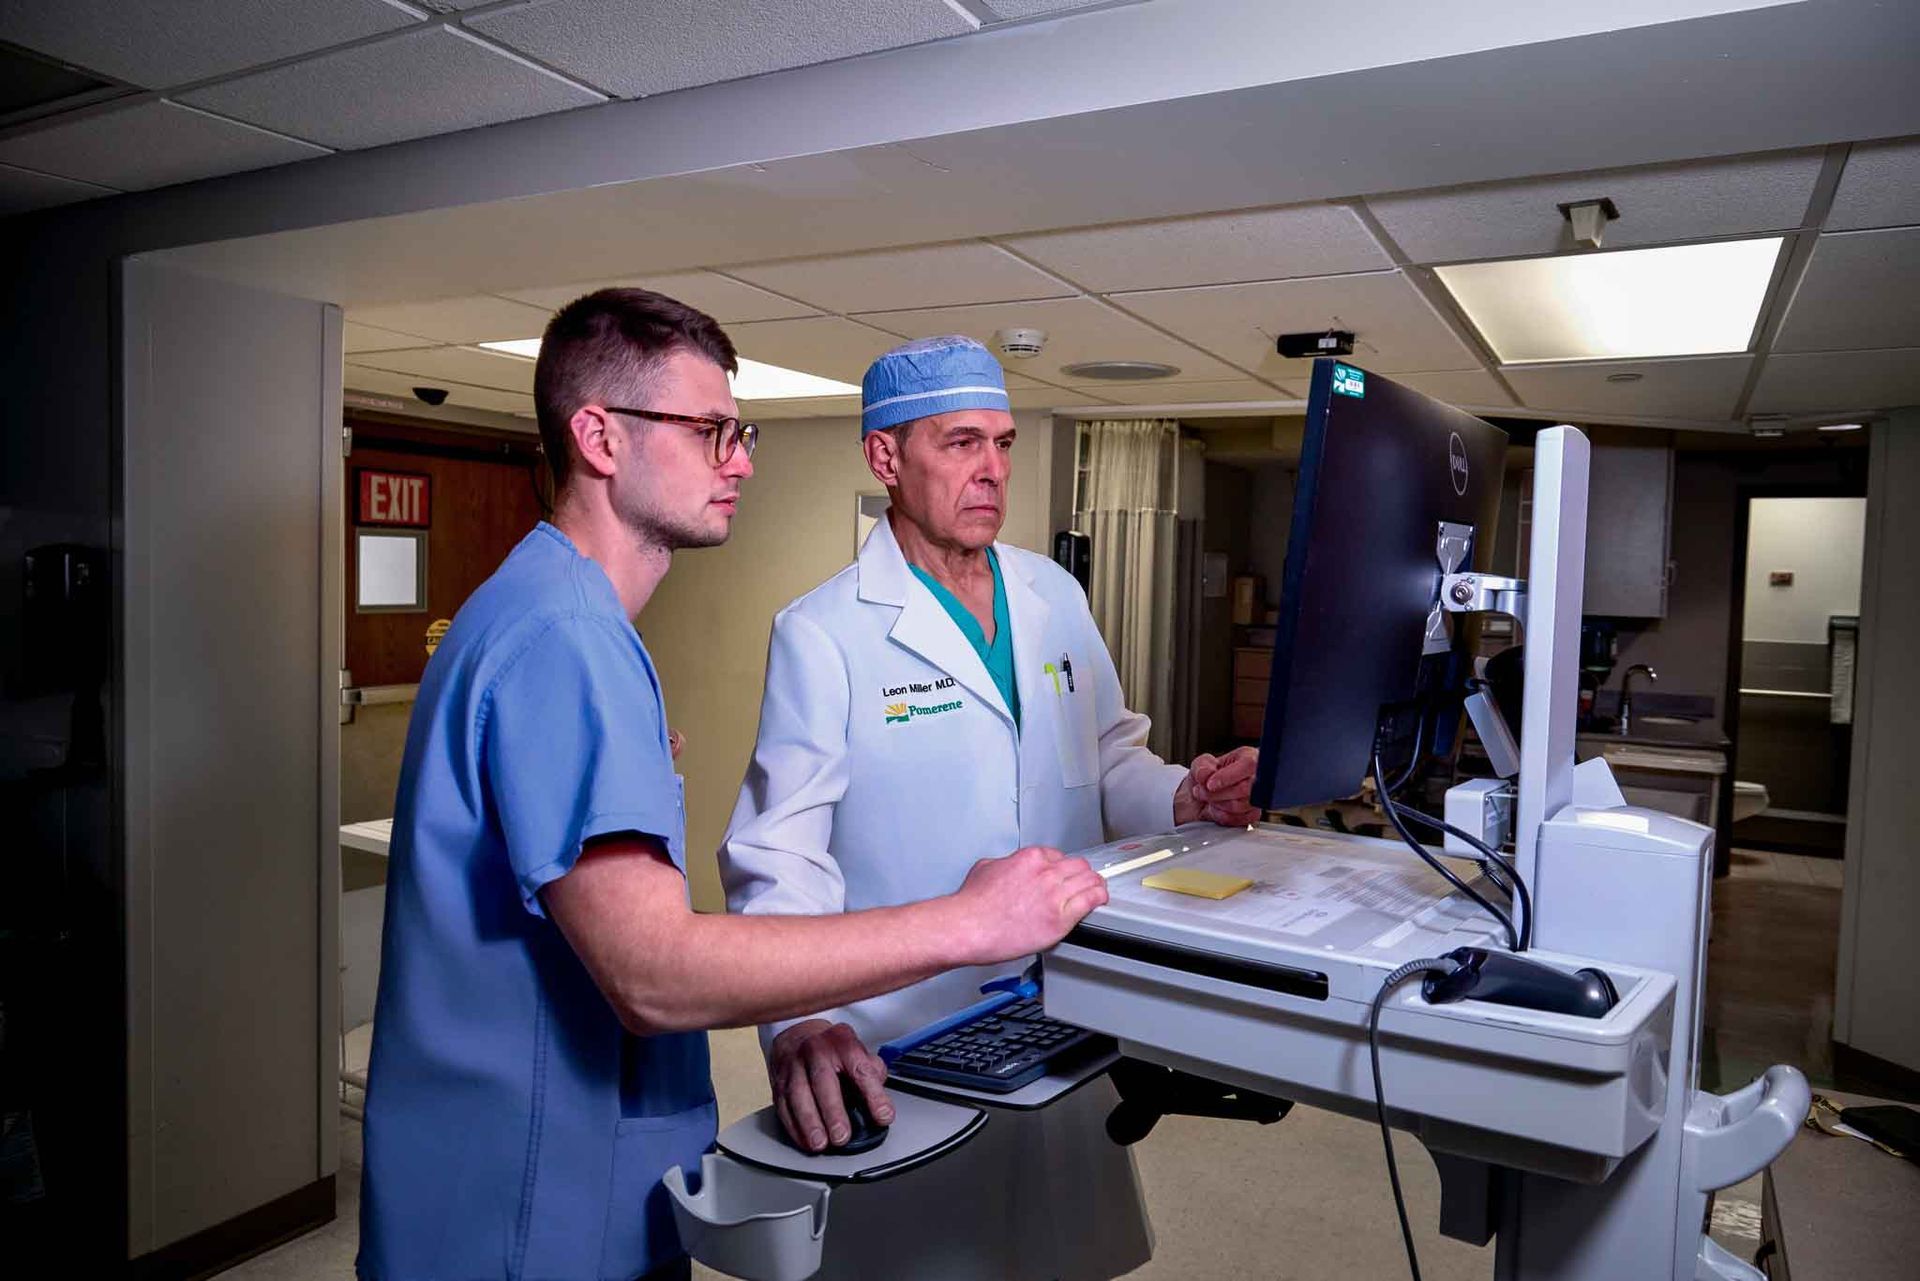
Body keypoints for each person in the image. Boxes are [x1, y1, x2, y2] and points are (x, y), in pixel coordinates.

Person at [356, 297, 1109, 1281]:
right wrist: (969, 922)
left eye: (739, 431)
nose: (742, 459)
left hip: (527, 1184)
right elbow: (655, 971)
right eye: (710, 432)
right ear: (598, 437)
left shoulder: (545, 614)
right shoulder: (568, 642)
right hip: (529, 1213)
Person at [718, 335, 1262, 1279]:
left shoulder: (1052, 595)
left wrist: (1180, 792)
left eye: (1003, 444)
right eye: (962, 444)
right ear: (887, 458)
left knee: (1057, 1252)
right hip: (903, 1036)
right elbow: (780, 853)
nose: (994, 471)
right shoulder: (825, 632)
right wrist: (797, 1019)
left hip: (1060, 1010)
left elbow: (1104, 756)